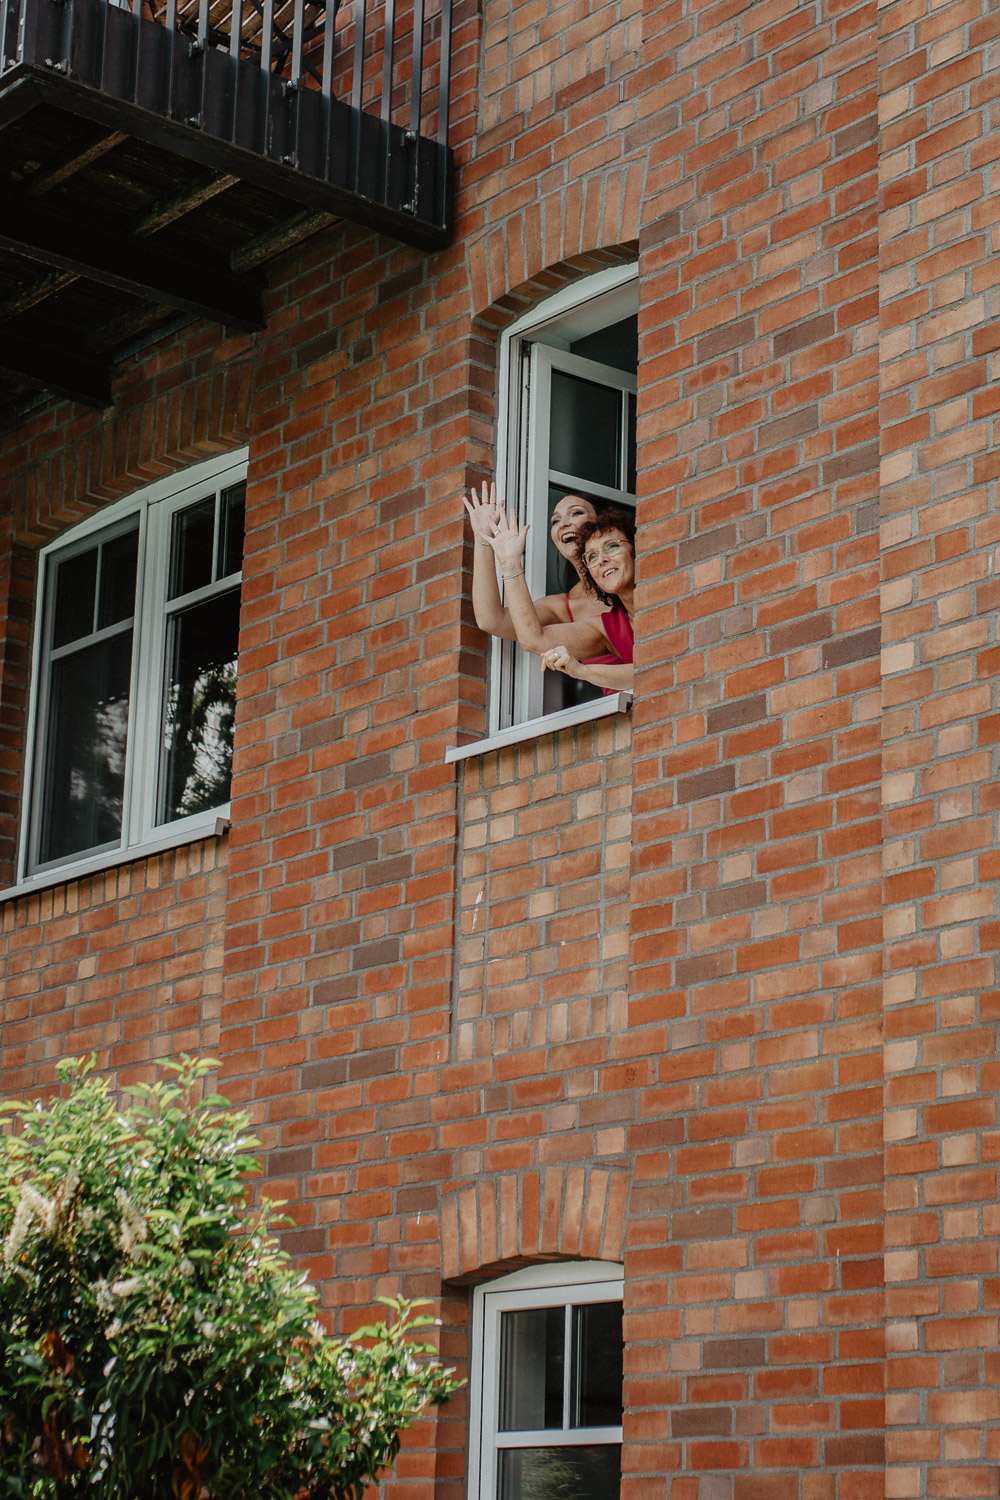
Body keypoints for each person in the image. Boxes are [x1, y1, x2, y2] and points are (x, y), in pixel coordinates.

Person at [482, 506, 635, 694]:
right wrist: (510, 564)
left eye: (612, 546)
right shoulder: (608, 626)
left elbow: (655, 668)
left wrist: (583, 671)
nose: (602, 559)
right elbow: (534, 639)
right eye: (592, 557)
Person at [462, 480, 612, 642]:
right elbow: (492, 621)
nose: (564, 524)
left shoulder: (627, 575)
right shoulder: (563, 606)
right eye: (555, 521)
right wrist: (483, 537)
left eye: (576, 513)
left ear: (603, 523)